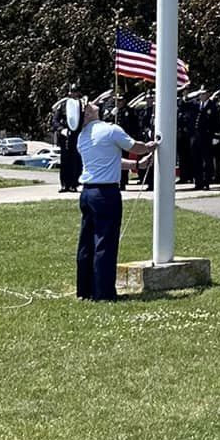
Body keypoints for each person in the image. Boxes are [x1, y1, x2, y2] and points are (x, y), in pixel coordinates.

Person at [75, 98, 158, 303]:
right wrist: (149, 147)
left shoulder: (83, 136)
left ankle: (85, 290)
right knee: (105, 243)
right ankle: (104, 293)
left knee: (87, 243)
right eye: (88, 104)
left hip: (87, 192)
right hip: (105, 194)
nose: (93, 103)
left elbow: (110, 160)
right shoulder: (110, 130)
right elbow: (135, 146)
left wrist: (135, 166)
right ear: (87, 113)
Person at [191, 86, 220, 192]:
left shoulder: (214, 106)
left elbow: (218, 122)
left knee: (207, 161)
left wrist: (216, 136)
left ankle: (206, 182)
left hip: (207, 137)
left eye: (204, 93)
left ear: (209, 94)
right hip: (196, 137)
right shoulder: (196, 105)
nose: (202, 95)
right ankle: (198, 182)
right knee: (196, 160)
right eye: (201, 93)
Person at [50, 92, 82, 192]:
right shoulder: (63, 105)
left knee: (76, 160)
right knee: (65, 161)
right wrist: (61, 129)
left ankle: (74, 184)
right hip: (65, 136)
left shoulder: (81, 105)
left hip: (77, 135)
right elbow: (55, 120)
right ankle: (64, 184)